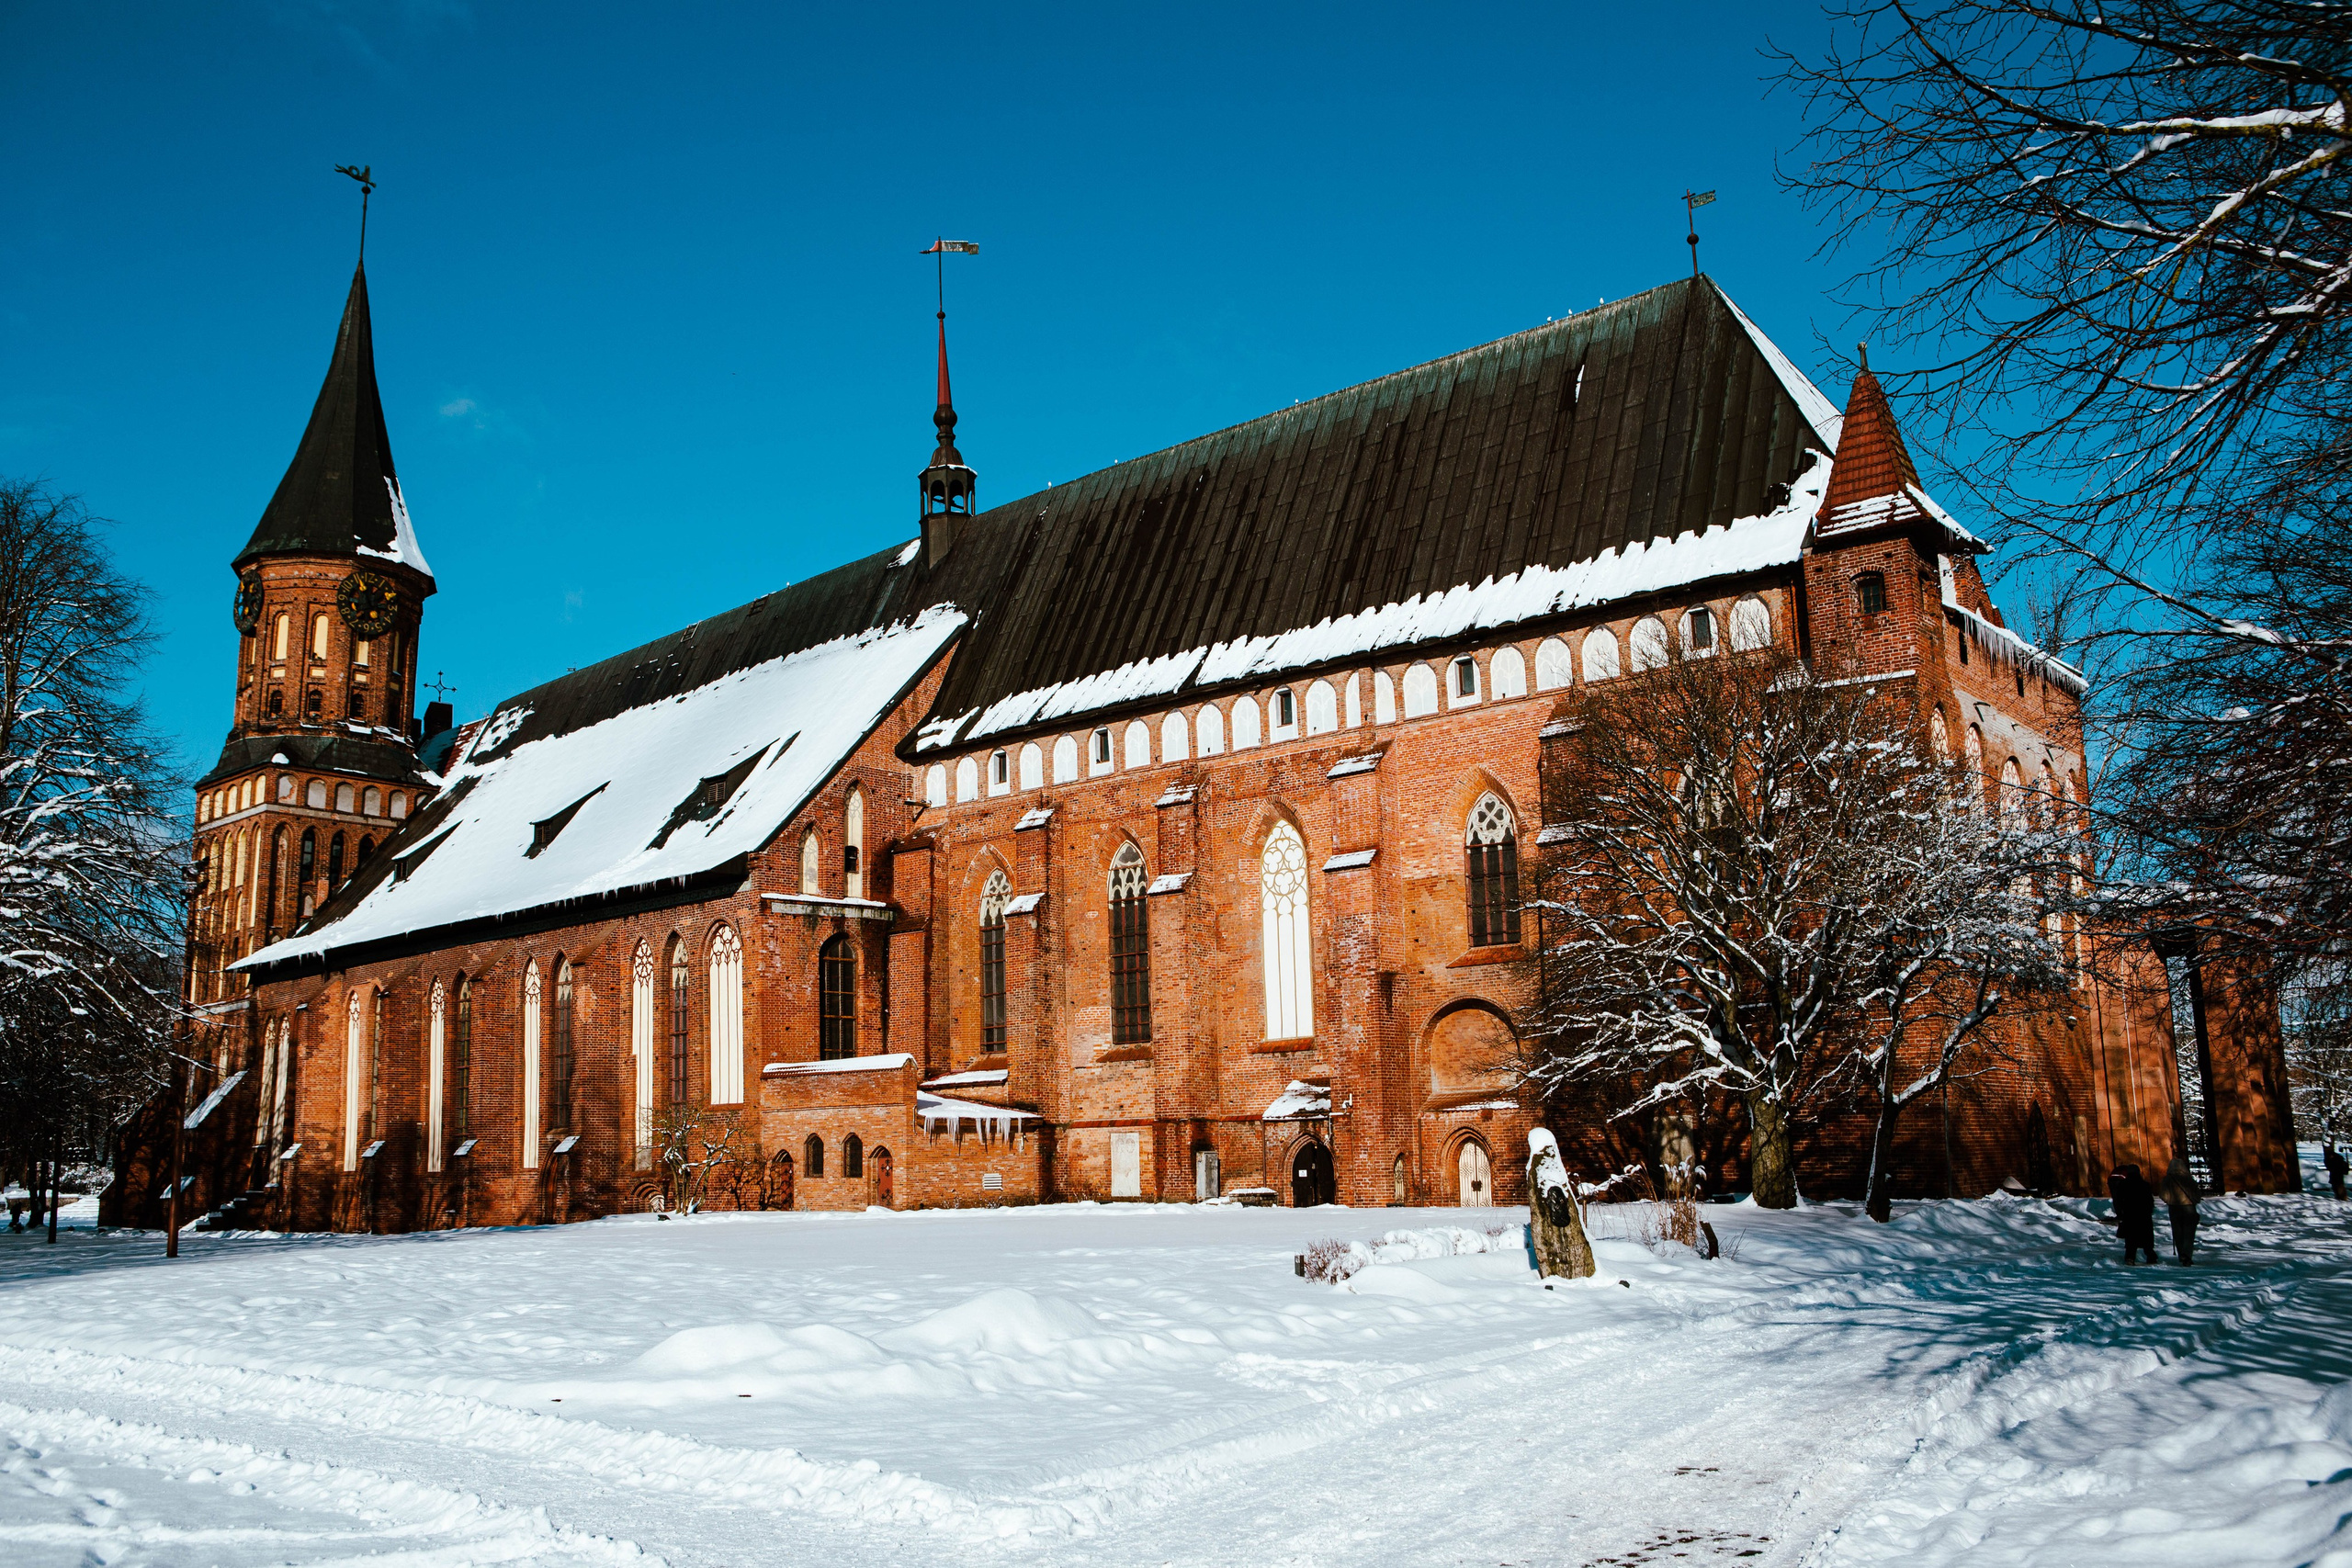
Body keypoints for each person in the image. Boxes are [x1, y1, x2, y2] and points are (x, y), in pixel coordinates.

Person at [2108, 1163, 2157, 1265]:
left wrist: (2121, 1212)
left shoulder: (2123, 1185)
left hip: (2129, 1215)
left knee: (2131, 1237)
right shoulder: (2145, 1185)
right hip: (2144, 1215)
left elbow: (2118, 1200)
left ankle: (2130, 1257)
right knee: (2146, 1237)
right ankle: (2150, 1255)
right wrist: (2149, 1211)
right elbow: (2150, 1201)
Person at [2157, 1156, 2201, 1266]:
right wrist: (2193, 1201)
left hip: (2174, 1207)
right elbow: (2197, 1194)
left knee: (2178, 1232)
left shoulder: (2168, 1179)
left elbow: (2162, 1194)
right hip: (2189, 1207)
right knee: (2189, 1233)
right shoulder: (2188, 1179)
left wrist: (2169, 1200)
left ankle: (2181, 1254)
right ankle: (2187, 1254)